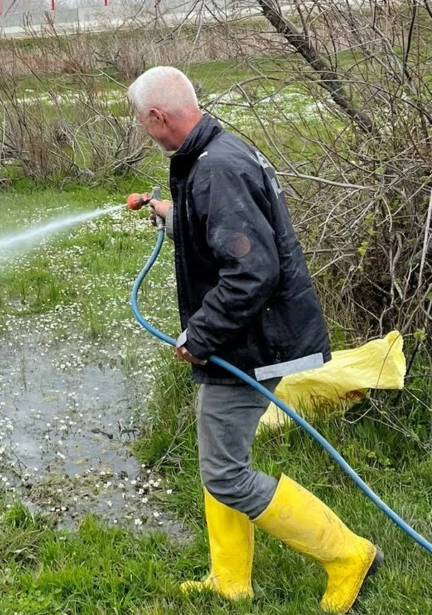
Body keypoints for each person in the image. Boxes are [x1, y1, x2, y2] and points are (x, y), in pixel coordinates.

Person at [126, 66, 382, 614]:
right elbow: (226, 234)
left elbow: (252, 271)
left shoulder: (217, 169)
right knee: (219, 456)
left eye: (143, 122)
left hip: (251, 341)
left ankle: (347, 555)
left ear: (157, 116)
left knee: (224, 471)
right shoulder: (214, 156)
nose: (145, 131)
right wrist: (171, 214)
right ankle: (229, 580)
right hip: (246, 336)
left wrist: (202, 333)